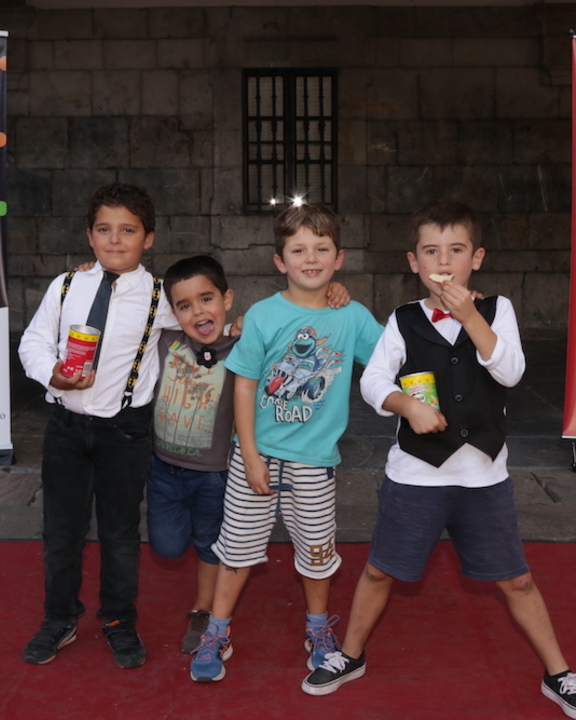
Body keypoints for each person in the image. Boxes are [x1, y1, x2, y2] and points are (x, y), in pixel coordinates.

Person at [301, 200, 576, 720]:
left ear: (476, 258)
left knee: (517, 579)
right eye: (431, 251)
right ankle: (350, 654)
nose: (444, 261)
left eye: (456, 250)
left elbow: (510, 372)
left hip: (484, 475)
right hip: (415, 474)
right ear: (413, 261)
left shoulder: (497, 310)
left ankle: (558, 672)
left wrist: (470, 316)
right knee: (380, 571)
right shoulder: (403, 319)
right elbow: (374, 380)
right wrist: (406, 405)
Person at [188, 203, 382, 683]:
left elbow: (392, 354)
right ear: (280, 261)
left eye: (321, 248)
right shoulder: (262, 315)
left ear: (339, 258)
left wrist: (451, 312)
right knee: (236, 549)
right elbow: (245, 386)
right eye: (298, 250)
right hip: (256, 456)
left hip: (314, 461)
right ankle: (217, 630)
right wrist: (250, 455)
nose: (310, 258)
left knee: (316, 552)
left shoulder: (351, 316)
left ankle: (317, 628)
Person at [18, 183, 177, 670]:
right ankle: (59, 617)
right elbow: (32, 342)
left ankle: (119, 618)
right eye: (104, 230)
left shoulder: (160, 296)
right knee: (60, 532)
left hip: (125, 431)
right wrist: (52, 373)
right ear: (89, 236)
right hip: (66, 428)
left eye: (128, 230)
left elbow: (206, 320)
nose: (115, 240)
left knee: (120, 532)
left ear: (148, 238)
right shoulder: (67, 285)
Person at [148, 255, 238, 655]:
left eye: (207, 299)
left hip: (213, 475)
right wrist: (89, 275)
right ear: (172, 313)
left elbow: (286, 323)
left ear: (227, 299)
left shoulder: (241, 348)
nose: (198, 312)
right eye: (184, 305)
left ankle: (203, 610)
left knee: (208, 543)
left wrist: (332, 292)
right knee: (166, 547)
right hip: (163, 471)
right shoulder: (166, 341)